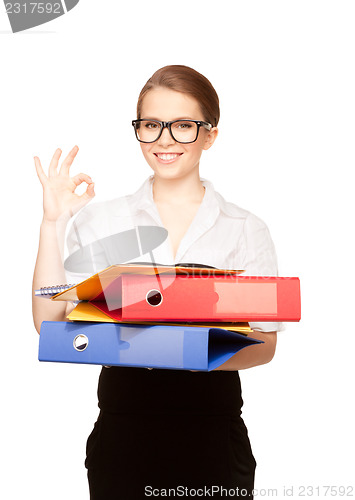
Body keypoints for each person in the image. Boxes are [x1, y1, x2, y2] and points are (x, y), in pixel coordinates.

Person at [32, 65, 283, 499]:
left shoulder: (245, 228)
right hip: (124, 433)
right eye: (151, 125)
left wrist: (181, 350)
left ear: (210, 135)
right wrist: (53, 223)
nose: (165, 139)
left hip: (213, 436)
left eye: (183, 125)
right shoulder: (101, 220)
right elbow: (48, 320)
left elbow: (266, 344)